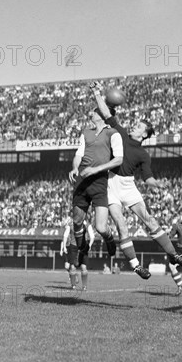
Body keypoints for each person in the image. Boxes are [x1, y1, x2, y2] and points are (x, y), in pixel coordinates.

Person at [90, 81, 182, 280]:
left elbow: (148, 178)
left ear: (143, 134)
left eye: (137, 127)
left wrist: (158, 184)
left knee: (150, 220)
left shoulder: (143, 155)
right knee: (121, 223)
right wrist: (96, 92)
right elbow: (105, 112)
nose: (133, 127)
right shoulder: (120, 132)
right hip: (111, 183)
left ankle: (173, 255)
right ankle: (136, 266)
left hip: (128, 185)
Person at [69, 106, 123, 262]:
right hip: (82, 180)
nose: (90, 113)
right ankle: (82, 247)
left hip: (99, 181)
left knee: (100, 227)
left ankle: (109, 239)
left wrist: (96, 170)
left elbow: (118, 159)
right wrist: (74, 168)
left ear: (102, 115)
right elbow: (79, 154)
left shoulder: (113, 133)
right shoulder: (86, 133)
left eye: (93, 111)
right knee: (77, 221)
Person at [61, 218, 96, 290]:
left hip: (83, 247)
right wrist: (64, 246)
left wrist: (89, 245)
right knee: (72, 267)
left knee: (83, 267)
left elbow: (92, 236)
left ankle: (84, 286)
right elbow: (65, 235)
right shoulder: (70, 225)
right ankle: (73, 285)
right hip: (73, 247)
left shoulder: (87, 225)